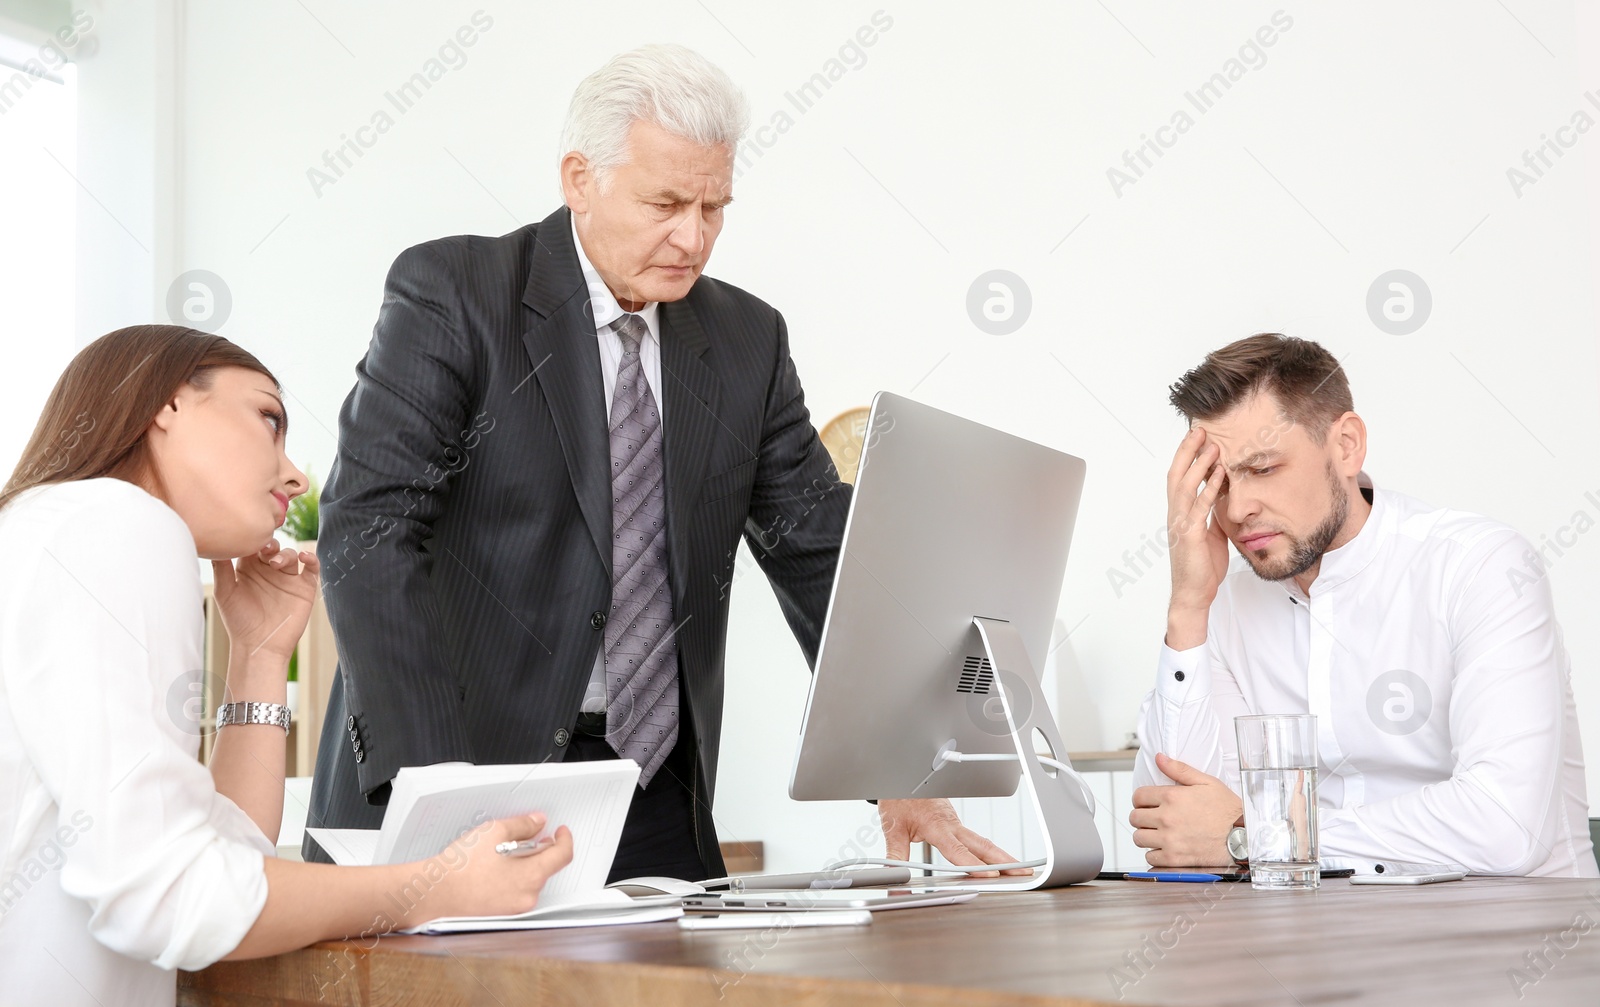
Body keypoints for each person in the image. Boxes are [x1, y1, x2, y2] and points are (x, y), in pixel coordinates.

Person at [304, 43, 1019, 881]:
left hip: (649, 789)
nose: (694, 237)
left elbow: (822, 557)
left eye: (715, 206)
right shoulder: (456, 294)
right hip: (466, 770)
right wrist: (438, 783)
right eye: (667, 203)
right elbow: (371, 526)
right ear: (580, 178)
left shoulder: (748, 342)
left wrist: (900, 763)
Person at [0, 326, 574, 1007]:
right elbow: (171, 894)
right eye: (268, 418)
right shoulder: (120, 521)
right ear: (167, 404)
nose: (296, 475)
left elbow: (224, 860)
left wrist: (261, 655)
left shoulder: (52, 527)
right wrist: (437, 887)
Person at [1129, 332, 1595, 876]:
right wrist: (1187, 608)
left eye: (1262, 468)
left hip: (1510, 940)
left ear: (1346, 446)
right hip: (1324, 939)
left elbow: (1504, 825)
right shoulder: (1226, 606)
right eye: (1218, 483)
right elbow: (1178, 824)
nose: (1238, 508)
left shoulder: (1479, 566)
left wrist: (1256, 838)